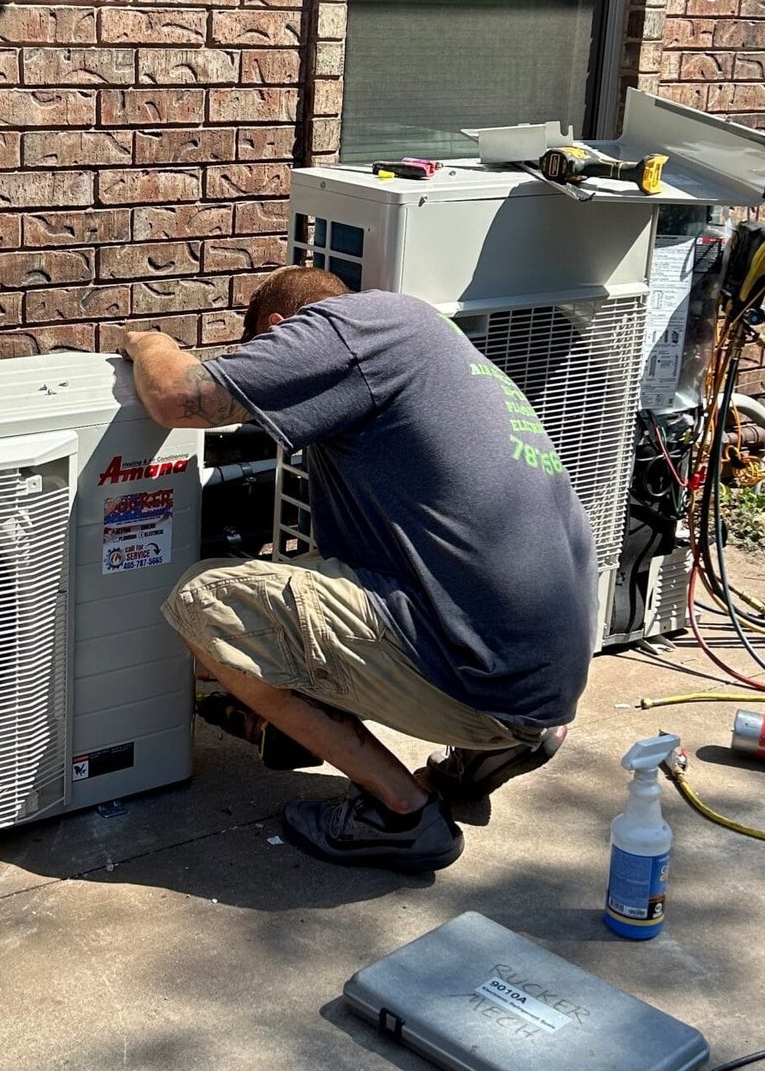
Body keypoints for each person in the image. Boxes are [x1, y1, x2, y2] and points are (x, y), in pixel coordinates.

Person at [120, 267, 599, 874]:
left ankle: (401, 816)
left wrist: (145, 342)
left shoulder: (344, 331)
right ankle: (490, 752)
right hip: (544, 674)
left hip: (486, 678)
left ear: (281, 331)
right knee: (319, 579)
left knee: (207, 601)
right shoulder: (430, 345)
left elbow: (177, 397)